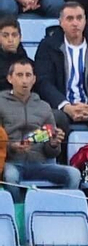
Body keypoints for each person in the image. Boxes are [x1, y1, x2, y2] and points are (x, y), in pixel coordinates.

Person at [34, 1, 88, 134]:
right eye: (70, 18)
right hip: (61, 106)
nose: (75, 23)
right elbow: (44, 82)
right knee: (55, 118)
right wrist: (65, 106)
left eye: (79, 18)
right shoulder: (47, 47)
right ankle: (62, 155)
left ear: (85, 20)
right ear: (61, 22)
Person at [0, 56, 77, 188]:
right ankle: (17, 207)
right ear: (10, 78)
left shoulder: (44, 107)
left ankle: (60, 207)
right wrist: (11, 147)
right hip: (12, 162)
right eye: (19, 75)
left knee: (74, 175)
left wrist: (53, 144)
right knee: (10, 177)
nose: (24, 80)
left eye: (28, 75)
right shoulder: (1, 103)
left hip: (40, 163)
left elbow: (52, 153)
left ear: (34, 79)